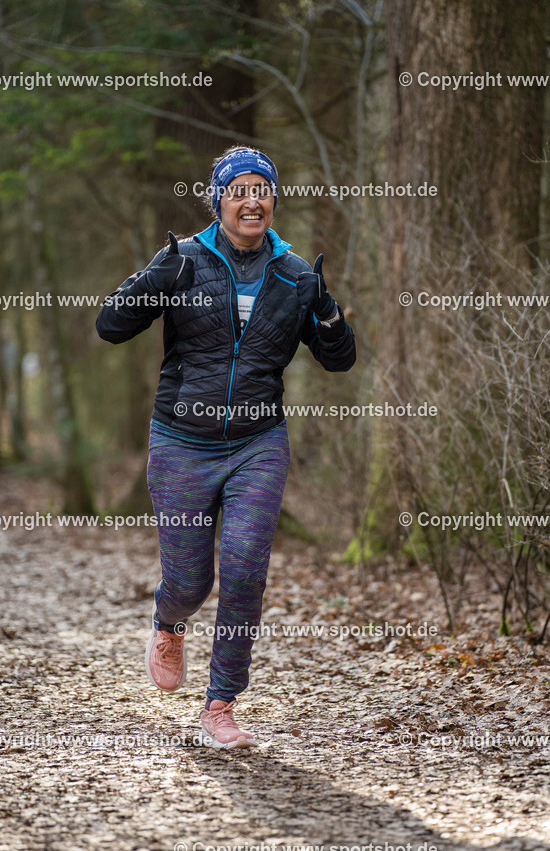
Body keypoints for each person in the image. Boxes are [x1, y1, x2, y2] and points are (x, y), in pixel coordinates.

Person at [96, 146, 356, 749]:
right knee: (191, 582)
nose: (251, 201)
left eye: (261, 190)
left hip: (257, 442)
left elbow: (339, 360)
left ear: (273, 202)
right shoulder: (183, 261)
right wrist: (151, 281)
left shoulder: (295, 275)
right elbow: (110, 326)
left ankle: (220, 705)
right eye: (238, 190)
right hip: (180, 441)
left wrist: (328, 312)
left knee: (244, 569)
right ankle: (169, 622)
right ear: (218, 201)